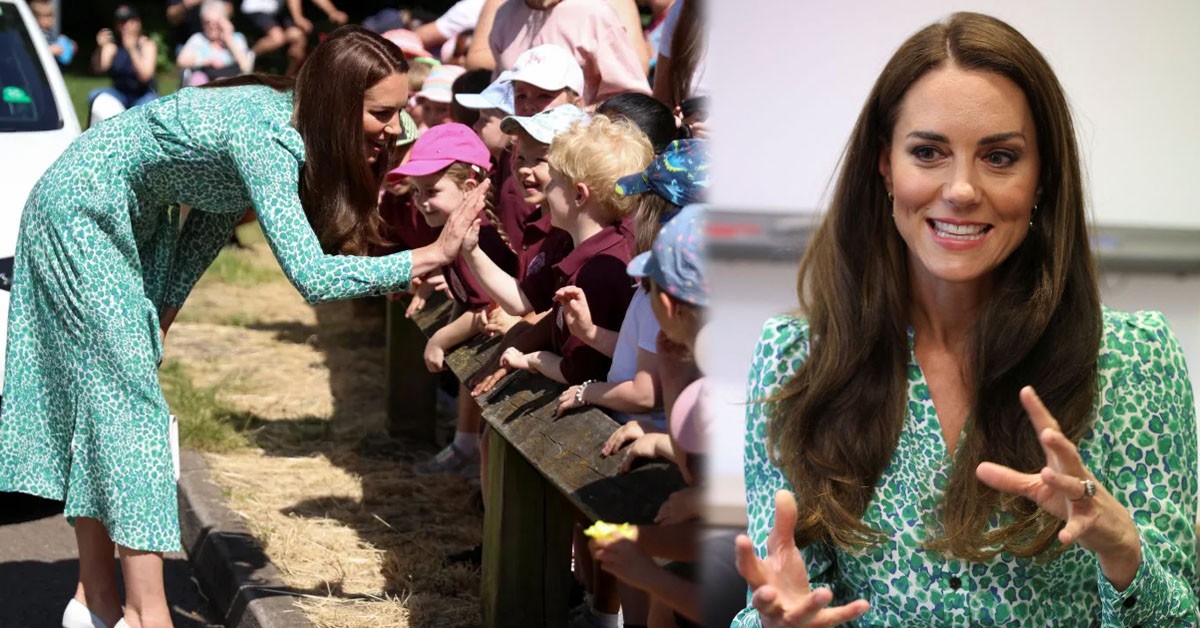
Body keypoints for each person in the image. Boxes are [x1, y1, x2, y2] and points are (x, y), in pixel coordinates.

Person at [0, 27, 482, 628]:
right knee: (131, 415)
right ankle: (147, 615)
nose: (392, 127)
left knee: (110, 407)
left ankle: (92, 602)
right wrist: (430, 256)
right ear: (338, 102)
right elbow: (311, 276)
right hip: (78, 214)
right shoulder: (266, 136)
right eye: (381, 113)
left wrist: (163, 316)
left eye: (398, 111)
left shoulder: (292, 123)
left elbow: (209, 222)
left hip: (127, 220)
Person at [733, 12, 1197, 626]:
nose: (960, 189)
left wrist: (1123, 553)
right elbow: (779, 599)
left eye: (1000, 157)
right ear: (884, 164)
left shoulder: (1135, 361)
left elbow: (1181, 616)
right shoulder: (798, 357)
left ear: (1042, 179)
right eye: (928, 152)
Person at [469, 0, 651, 103]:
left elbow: (631, 97)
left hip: (579, 146)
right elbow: (500, 90)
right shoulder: (505, 13)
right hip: (520, 150)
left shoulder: (594, 12)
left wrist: (581, 119)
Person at [87, 5, 159, 128]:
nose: (124, 26)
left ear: (137, 23)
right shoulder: (113, 47)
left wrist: (132, 49)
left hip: (142, 93)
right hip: (120, 92)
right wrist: (100, 48)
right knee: (95, 95)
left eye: (128, 22)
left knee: (149, 107)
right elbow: (99, 68)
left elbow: (145, 76)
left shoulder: (147, 45)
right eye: (120, 23)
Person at [176, 0, 253, 86]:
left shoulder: (237, 39)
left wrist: (228, 39)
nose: (212, 26)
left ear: (225, 21)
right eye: (207, 22)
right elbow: (181, 61)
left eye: (216, 23)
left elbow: (246, 67)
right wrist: (206, 62)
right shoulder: (198, 39)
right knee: (198, 77)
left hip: (231, 85)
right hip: (204, 83)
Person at [29, 0, 75, 67]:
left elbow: (55, 42)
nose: (49, 20)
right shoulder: (33, 34)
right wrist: (50, 51)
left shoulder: (49, 33)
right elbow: (30, 53)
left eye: (51, 16)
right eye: (45, 16)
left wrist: (69, 44)